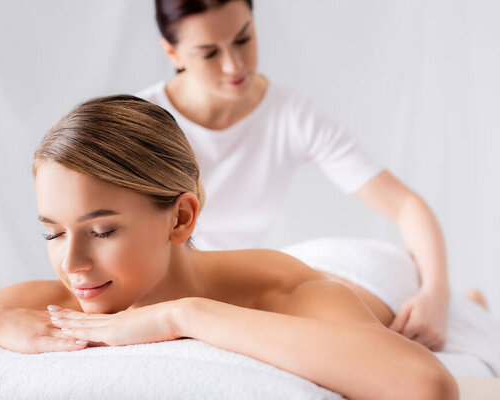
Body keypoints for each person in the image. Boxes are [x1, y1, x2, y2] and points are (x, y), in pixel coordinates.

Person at [0, 95, 457, 399]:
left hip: (360, 270)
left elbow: (426, 385)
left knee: (421, 293)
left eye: (102, 231)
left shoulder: (283, 286)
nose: (71, 265)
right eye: (52, 232)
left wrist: (183, 316)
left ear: (182, 217)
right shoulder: (65, 295)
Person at [137, 0, 450, 351]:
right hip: (172, 284)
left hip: (245, 279)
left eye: (243, 39)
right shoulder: (141, 124)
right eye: (209, 53)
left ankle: (465, 305)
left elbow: (405, 205)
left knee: (350, 321)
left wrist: (436, 296)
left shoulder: (290, 114)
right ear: (173, 54)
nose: (234, 65)